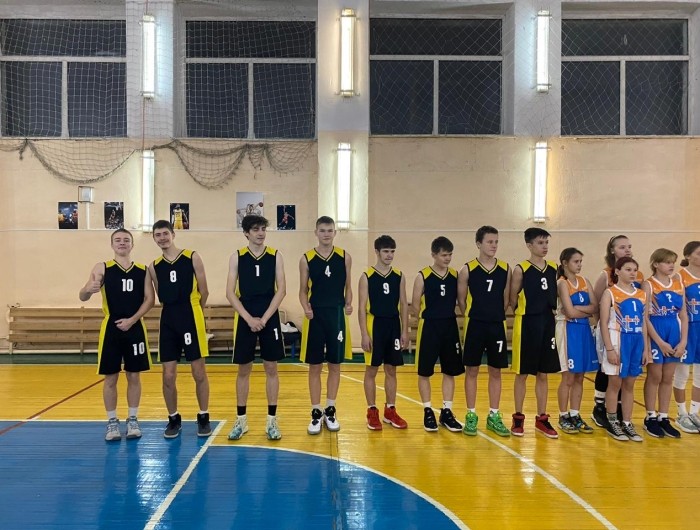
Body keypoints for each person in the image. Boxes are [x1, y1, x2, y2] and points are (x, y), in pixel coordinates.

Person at [79, 229, 154, 441]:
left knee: (134, 375)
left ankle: (133, 419)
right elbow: (83, 296)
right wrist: (88, 288)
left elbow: (150, 300)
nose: (122, 243)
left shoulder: (143, 270)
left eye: (126, 240)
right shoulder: (102, 267)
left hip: (135, 328)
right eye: (118, 240)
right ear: (112, 244)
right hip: (111, 329)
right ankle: (112, 422)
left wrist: (132, 320)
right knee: (110, 377)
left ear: (132, 245)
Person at [225, 215, 286, 441]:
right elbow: (230, 293)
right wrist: (249, 319)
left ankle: (272, 421)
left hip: (269, 315)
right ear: (246, 233)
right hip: (245, 316)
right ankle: (241, 421)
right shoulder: (237, 257)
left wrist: (265, 318)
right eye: (255, 229)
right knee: (244, 370)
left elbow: (281, 290)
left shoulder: (276, 255)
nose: (260, 233)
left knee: (271, 368)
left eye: (263, 229)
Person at [149, 220, 211, 438]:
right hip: (168, 319)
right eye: (158, 235)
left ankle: (203, 416)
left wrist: (194, 311)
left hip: (191, 314)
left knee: (198, 371)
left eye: (165, 233)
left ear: (173, 234)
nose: (162, 238)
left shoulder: (192, 257)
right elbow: (159, 295)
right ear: (154, 238)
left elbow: (204, 291)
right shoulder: (154, 266)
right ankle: (173, 418)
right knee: (168, 375)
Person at [299, 216, 353, 434]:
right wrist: (305, 307)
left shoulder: (344, 257)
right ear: (316, 232)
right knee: (314, 366)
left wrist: (349, 303)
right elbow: (303, 290)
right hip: (315, 316)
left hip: (336, 315)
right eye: (322, 230)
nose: (326, 234)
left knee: (335, 365)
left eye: (330, 230)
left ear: (335, 233)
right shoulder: (307, 258)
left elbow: (349, 285)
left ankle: (330, 410)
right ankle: (315, 412)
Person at [457, 225, 511, 437]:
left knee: (496, 371)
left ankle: (494, 415)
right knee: (472, 370)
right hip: (475, 325)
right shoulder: (467, 269)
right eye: (489, 242)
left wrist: (494, 313)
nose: (494, 245)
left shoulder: (505, 269)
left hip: (496, 324)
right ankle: (471, 414)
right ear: (478, 244)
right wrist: (476, 314)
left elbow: (506, 299)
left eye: (496, 242)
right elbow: (461, 300)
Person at [509, 227, 561, 438]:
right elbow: (512, 297)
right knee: (522, 373)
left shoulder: (553, 268)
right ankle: (518, 417)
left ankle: (542, 418)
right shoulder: (521, 269)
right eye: (540, 243)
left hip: (547, 322)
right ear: (529, 245)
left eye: (546, 242)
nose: (544, 246)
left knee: (543, 373)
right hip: (527, 322)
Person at [411, 236, 464, 433]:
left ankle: (446, 412)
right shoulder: (423, 276)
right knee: (424, 371)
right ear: (434, 255)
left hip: (449, 325)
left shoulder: (455, 275)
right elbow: (415, 304)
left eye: (450, 255)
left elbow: (461, 300)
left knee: (450, 371)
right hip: (429, 326)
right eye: (444, 255)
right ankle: (427, 411)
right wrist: (424, 318)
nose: (447, 258)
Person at [591, 235, 644, 428]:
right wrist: (602, 329)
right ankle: (599, 406)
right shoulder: (605, 275)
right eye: (622, 247)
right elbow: (596, 304)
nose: (627, 249)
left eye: (629, 246)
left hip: (631, 331)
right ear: (612, 250)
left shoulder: (637, 275)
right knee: (606, 369)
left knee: (625, 373)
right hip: (610, 329)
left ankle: (619, 409)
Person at [358, 235, 409, 430]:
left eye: (392, 251)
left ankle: (390, 410)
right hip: (375, 325)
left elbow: (403, 304)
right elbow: (361, 308)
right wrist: (364, 334)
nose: (389, 255)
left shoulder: (399, 275)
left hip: (393, 325)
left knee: (391, 369)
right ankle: (372, 410)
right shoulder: (367, 276)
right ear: (377, 252)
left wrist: (404, 331)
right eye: (386, 251)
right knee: (371, 369)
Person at [599, 257, 650, 441]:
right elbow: (603, 323)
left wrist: (645, 349)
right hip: (618, 339)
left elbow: (644, 322)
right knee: (615, 384)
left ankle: (627, 422)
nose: (633, 273)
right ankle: (612, 421)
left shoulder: (642, 294)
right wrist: (609, 349)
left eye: (635, 270)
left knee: (630, 384)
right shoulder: (610, 293)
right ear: (617, 271)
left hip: (636, 340)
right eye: (628, 269)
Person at [642, 249, 687, 438]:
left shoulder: (678, 284)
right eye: (667, 262)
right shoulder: (648, 284)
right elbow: (645, 317)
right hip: (656, 330)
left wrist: (683, 341)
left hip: (673, 331)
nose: (671, 266)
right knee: (655, 376)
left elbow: (683, 315)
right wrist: (659, 342)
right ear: (656, 264)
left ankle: (663, 416)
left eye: (673, 262)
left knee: (668, 377)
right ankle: (650, 417)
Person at [555, 248, 598, 435]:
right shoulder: (562, 283)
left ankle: (575, 414)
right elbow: (569, 313)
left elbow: (595, 307)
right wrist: (583, 310)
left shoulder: (585, 281)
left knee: (580, 375)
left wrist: (578, 308)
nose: (579, 265)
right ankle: (563, 415)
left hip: (583, 330)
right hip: (567, 330)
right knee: (568, 377)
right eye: (576, 261)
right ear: (565, 263)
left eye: (581, 261)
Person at [674, 241, 700, 433]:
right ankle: (681, 413)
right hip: (688, 328)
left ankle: (694, 413)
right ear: (688, 255)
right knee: (682, 373)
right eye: (698, 253)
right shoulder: (680, 276)